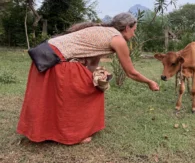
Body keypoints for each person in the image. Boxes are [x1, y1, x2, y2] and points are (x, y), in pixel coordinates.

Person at [17, 12, 160, 145]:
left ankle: (48, 131)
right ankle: (75, 135)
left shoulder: (102, 31)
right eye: (134, 30)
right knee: (86, 93)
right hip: (57, 62)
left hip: (44, 56)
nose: (134, 34)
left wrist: (95, 76)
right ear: (127, 27)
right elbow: (131, 72)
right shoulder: (118, 40)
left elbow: (92, 62)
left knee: (55, 97)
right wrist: (149, 82)